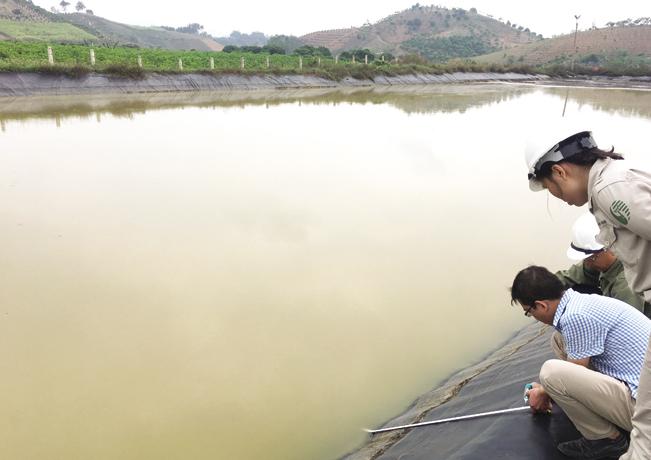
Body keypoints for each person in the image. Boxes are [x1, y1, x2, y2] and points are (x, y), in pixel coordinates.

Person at [525, 124, 651, 459]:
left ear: (559, 171)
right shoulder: (611, 183)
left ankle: (608, 440)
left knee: (644, 439)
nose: (561, 200)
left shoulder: (611, 189)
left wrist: (549, 390)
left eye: (553, 189)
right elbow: (571, 275)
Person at [511, 265, 650, 459]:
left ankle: (607, 440)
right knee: (559, 341)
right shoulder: (580, 301)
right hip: (641, 385)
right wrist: (547, 391)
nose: (532, 317)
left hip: (646, 412)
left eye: (529, 311)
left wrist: (543, 392)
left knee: (551, 372)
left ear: (542, 305)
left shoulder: (576, 317)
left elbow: (568, 373)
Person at [556, 212, 646, 314]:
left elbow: (630, 326)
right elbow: (567, 278)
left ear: (612, 249)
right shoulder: (601, 261)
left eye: (591, 258)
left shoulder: (625, 286)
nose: (588, 263)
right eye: (586, 258)